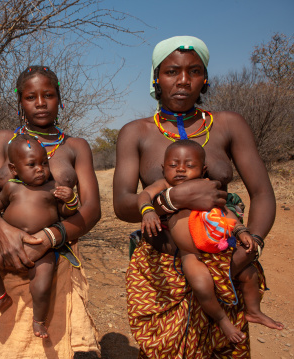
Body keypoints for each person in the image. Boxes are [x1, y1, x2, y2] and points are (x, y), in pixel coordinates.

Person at [113, 36, 277, 357]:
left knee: (224, 347)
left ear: (205, 79)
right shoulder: (136, 132)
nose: (184, 81)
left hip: (223, 261)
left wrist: (252, 245)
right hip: (160, 267)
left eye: (194, 71)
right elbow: (122, 205)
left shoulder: (229, 125)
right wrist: (174, 199)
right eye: (172, 71)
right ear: (156, 78)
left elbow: (262, 193)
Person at [0, 66, 101, 358]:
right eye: (31, 96)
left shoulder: (76, 146)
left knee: (56, 344)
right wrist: (4, 231)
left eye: (48, 95)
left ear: (60, 98)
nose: (41, 102)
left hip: (55, 254)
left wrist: (51, 236)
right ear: (19, 102)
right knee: (10, 350)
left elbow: (92, 210)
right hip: (7, 253)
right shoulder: (5, 141)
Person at [138, 139, 283, 343]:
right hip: (191, 255)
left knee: (249, 273)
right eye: (173, 165)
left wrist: (241, 230)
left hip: (220, 250)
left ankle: (254, 310)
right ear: (163, 168)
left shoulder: (207, 187)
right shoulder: (164, 185)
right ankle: (223, 320)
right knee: (201, 284)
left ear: (203, 169)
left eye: (189, 165)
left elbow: (225, 212)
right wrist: (148, 211)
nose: (180, 169)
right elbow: (144, 195)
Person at [0, 134, 79, 339]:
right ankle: (1, 297)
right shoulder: (11, 187)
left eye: (44, 163)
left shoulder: (53, 187)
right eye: (32, 164)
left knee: (41, 285)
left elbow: (67, 213)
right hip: (9, 244)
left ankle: (39, 321)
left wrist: (71, 200)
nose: (40, 168)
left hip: (43, 247)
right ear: (15, 169)